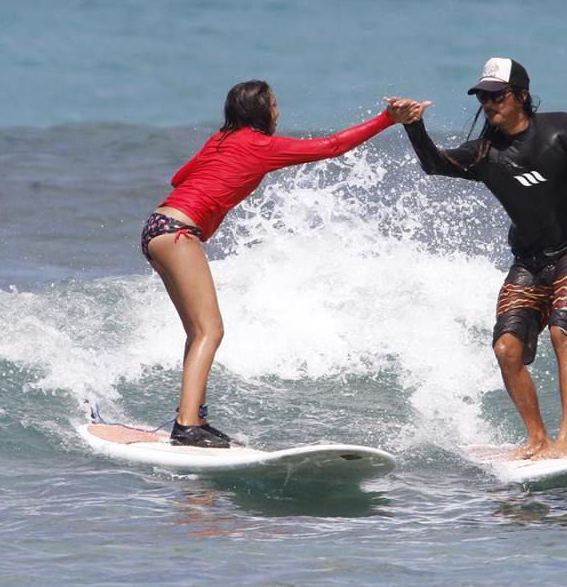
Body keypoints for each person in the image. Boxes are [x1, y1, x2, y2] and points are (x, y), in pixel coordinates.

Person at [141, 80, 420, 448]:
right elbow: (332, 147)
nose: (278, 112)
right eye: (273, 105)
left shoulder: (219, 141)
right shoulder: (260, 145)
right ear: (261, 112)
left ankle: (192, 418)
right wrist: (387, 119)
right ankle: (188, 424)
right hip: (180, 233)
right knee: (211, 331)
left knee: (197, 332)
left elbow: (180, 179)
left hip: (156, 228)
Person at [394, 58, 567, 459]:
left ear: (521, 96)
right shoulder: (485, 153)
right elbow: (434, 164)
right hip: (529, 259)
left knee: (563, 333)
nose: (489, 104)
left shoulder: (562, 129)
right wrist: (413, 125)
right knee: (506, 349)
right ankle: (537, 439)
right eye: (483, 97)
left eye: (497, 96)